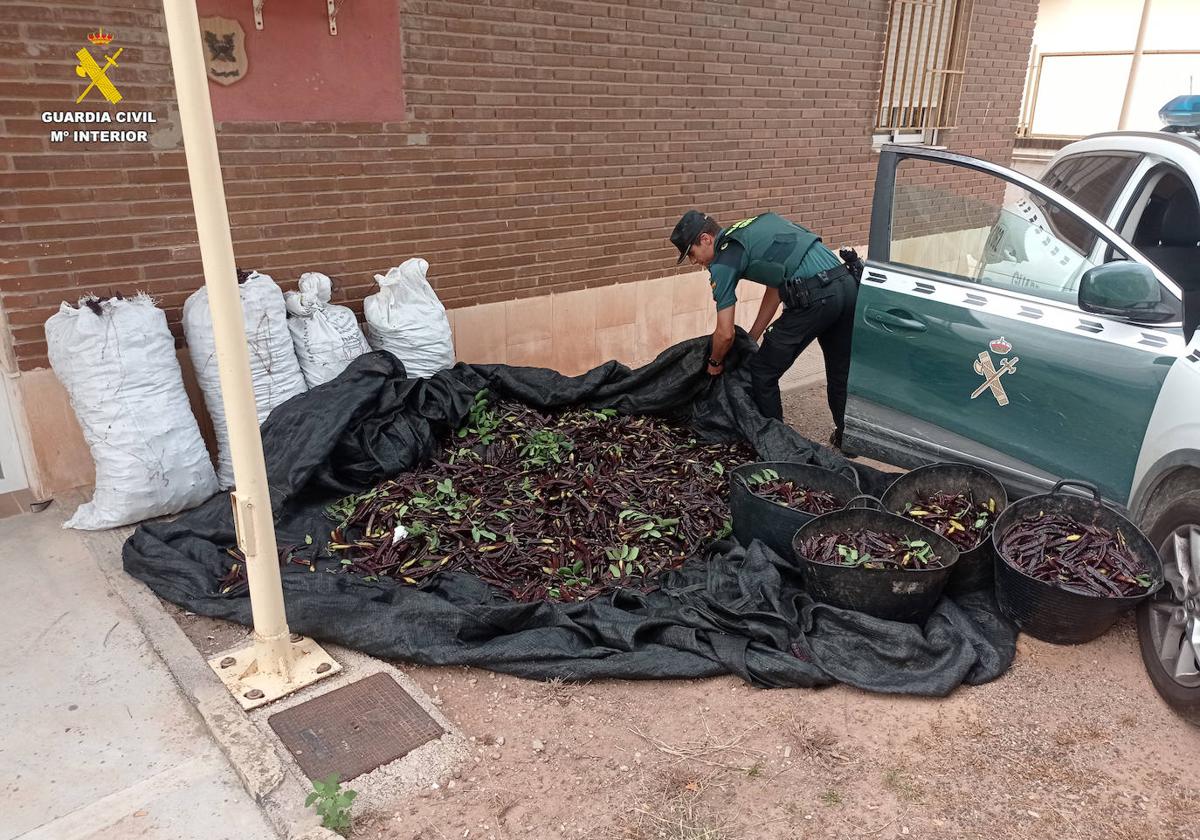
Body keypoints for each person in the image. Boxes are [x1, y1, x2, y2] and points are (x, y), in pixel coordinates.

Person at [669, 209, 859, 449]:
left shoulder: (723, 259)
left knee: (762, 371)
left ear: (706, 239)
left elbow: (725, 333)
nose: (695, 261)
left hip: (814, 298)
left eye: (692, 253)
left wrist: (714, 363)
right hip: (847, 284)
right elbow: (777, 287)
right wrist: (752, 338)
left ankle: (777, 446)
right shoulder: (750, 228)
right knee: (839, 370)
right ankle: (848, 441)